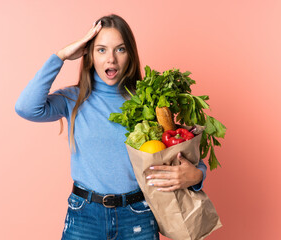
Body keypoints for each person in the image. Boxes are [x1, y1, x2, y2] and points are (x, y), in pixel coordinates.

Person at [15, 14, 207, 240]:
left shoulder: (147, 102)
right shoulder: (73, 99)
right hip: (84, 215)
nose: (111, 59)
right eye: (102, 50)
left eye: (120, 49)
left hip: (138, 214)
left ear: (130, 55)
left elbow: (184, 156)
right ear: (89, 55)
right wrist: (61, 56)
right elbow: (26, 108)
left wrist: (196, 176)